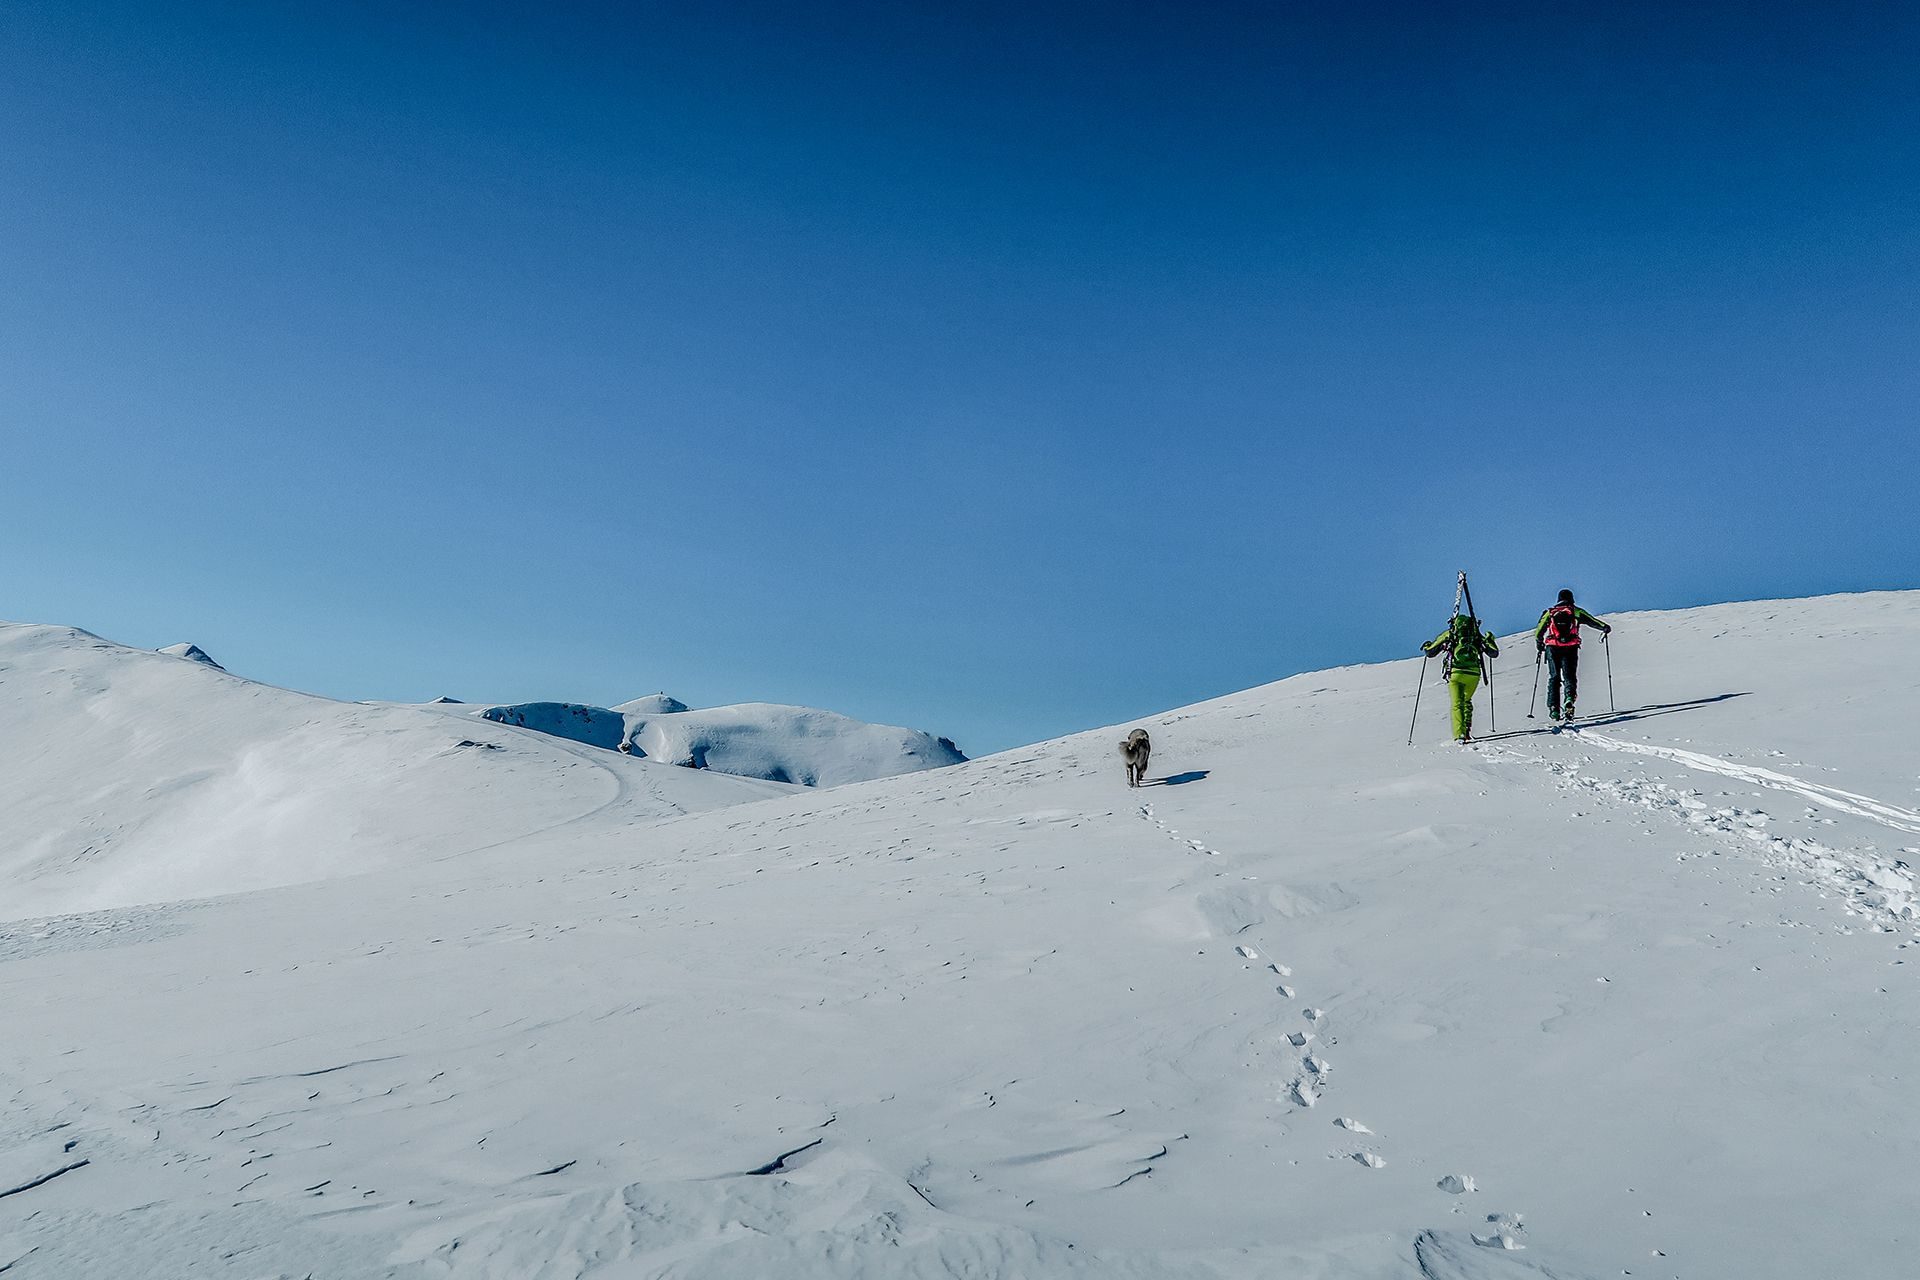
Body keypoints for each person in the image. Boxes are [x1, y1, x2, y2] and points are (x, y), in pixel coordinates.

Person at [1421, 613, 1499, 743]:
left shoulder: (1450, 634)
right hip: (1474, 673)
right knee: (1467, 700)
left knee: (1457, 704)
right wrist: (1490, 639)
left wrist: (1426, 646)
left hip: (1456, 672)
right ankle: (1467, 730)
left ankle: (1459, 734)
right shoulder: (1475, 635)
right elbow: (1493, 653)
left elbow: (1430, 652)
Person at [1535, 589, 1611, 721]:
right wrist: (1605, 627)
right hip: (1571, 647)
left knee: (1554, 677)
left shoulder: (1550, 612)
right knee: (1569, 676)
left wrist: (1539, 644)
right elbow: (1593, 621)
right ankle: (1569, 698)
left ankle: (1554, 709)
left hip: (1552, 647)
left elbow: (1538, 632)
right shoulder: (1576, 611)